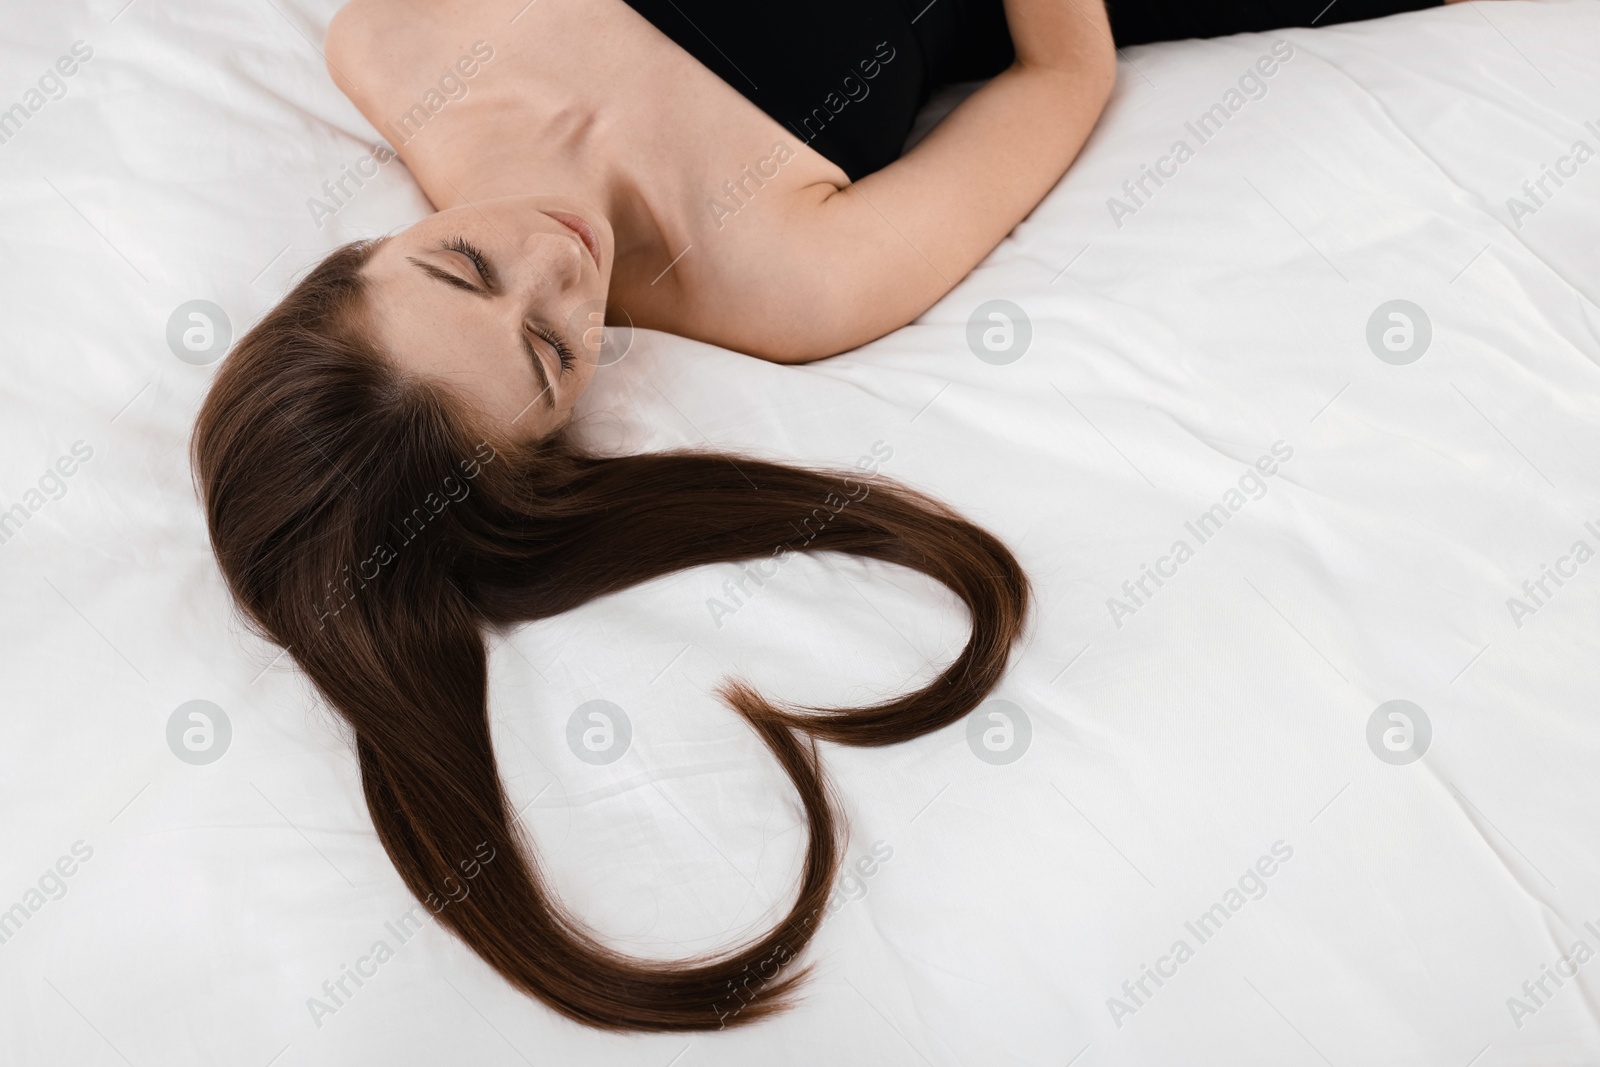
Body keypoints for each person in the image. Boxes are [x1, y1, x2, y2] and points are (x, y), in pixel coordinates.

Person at [193, 0, 1451, 1032]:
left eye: (459, 267)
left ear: (350, 261)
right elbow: (1063, 67)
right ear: (553, 437)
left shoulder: (396, 37)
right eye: (546, 355)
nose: (556, 264)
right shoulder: (785, 285)